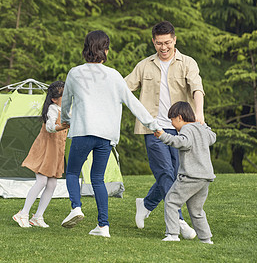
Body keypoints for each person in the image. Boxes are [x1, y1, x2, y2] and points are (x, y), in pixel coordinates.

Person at [60, 30, 161, 238]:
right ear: (106, 50)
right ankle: (103, 226)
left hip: (83, 132)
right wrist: (153, 124)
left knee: (72, 172)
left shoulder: (75, 73)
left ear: (86, 48)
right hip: (106, 136)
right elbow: (134, 104)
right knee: (97, 179)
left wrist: (66, 121)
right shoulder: (114, 76)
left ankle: (76, 208)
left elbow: (66, 103)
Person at [125, 21, 204, 239]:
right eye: (159, 43)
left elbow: (197, 88)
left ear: (175, 40)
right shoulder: (144, 65)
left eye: (167, 42)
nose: (163, 47)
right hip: (154, 129)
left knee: (179, 174)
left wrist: (200, 113)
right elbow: (123, 88)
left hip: (182, 130)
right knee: (165, 173)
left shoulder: (187, 63)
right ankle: (177, 220)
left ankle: (146, 204)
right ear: (153, 42)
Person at [154, 101, 216, 244]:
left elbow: (183, 142)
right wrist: (204, 125)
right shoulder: (201, 128)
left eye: (172, 120)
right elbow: (212, 137)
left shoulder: (186, 129)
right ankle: (206, 239)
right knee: (196, 210)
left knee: (171, 201)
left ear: (180, 117)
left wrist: (163, 136)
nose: (172, 124)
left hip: (191, 176)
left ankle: (172, 235)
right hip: (205, 177)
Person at [12, 81, 70, 228]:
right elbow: (50, 128)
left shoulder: (65, 110)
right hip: (45, 149)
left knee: (52, 183)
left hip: (56, 151)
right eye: (64, 95)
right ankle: (23, 213)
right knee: (42, 181)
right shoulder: (52, 109)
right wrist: (63, 125)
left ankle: (38, 216)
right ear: (54, 99)